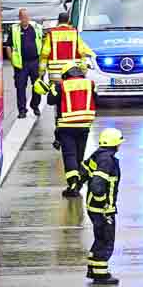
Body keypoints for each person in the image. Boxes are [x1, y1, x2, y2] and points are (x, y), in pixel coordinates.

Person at [83, 128, 124, 284]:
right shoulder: (107, 161)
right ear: (115, 144)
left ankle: (94, 269)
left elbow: (84, 171)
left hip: (94, 207)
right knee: (106, 240)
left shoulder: (98, 155)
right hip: (102, 209)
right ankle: (101, 275)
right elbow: (97, 185)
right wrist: (103, 203)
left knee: (100, 238)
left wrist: (75, 184)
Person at [53, 66, 96, 196]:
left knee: (70, 155)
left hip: (66, 126)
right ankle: (78, 183)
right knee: (79, 156)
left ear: (65, 74)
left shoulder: (62, 85)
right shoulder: (90, 84)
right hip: (84, 125)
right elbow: (96, 100)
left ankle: (73, 186)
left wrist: (51, 90)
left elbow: (51, 101)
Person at [4, 9, 45, 119]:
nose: (25, 20)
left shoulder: (36, 28)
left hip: (35, 61)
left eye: (27, 17)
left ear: (29, 18)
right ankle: (22, 110)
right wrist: (11, 59)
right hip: (21, 64)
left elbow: (43, 41)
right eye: (23, 18)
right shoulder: (14, 30)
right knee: (20, 87)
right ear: (20, 18)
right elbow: (8, 45)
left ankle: (35, 105)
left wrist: (43, 60)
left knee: (37, 86)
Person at [41, 9, 93, 83]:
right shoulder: (74, 32)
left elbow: (44, 53)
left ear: (58, 21)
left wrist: (41, 72)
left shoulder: (51, 33)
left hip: (55, 73)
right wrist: (84, 70)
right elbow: (82, 52)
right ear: (68, 21)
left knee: (56, 92)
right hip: (72, 72)